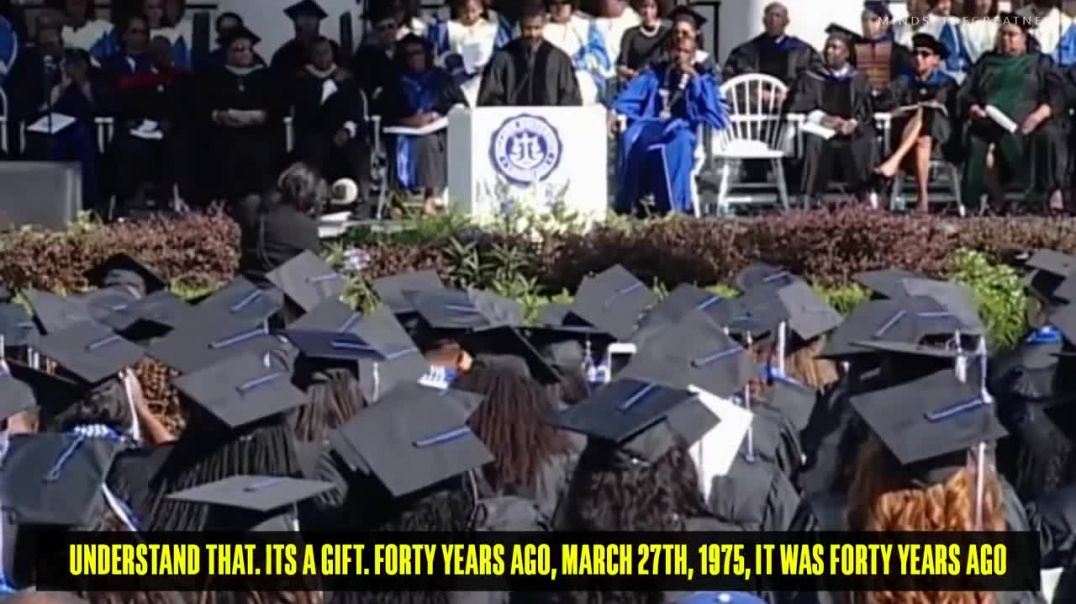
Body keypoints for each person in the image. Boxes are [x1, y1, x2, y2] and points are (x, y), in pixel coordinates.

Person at [612, 6, 727, 216]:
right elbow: (632, 96)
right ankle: (629, 204)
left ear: (695, 39)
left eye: (685, 35)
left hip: (684, 128)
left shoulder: (704, 71)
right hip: (654, 124)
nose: (679, 39)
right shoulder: (658, 68)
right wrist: (614, 111)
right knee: (631, 136)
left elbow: (713, 111)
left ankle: (674, 208)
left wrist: (694, 78)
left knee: (678, 142)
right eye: (675, 34)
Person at [959, 13, 1069, 213]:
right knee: (978, 145)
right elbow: (966, 92)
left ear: (1024, 37)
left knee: (1049, 136)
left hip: (1028, 124)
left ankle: (1043, 196)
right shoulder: (986, 62)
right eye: (1003, 34)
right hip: (989, 123)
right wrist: (973, 107)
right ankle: (991, 200)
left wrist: (1039, 115)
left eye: (1012, 35)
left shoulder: (1039, 62)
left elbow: (1058, 92)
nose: (1006, 39)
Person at [783, 31, 876, 205]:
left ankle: (865, 196)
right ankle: (812, 198)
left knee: (866, 140)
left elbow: (867, 109)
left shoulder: (859, 79)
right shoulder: (811, 77)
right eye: (827, 48)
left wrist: (852, 123)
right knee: (813, 141)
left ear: (847, 53)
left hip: (850, 130)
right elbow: (799, 105)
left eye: (835, 48)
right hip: (821, 130)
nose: (829, 52)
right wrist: (825, 119)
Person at [872, 33, 959, 213]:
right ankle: (923, 199)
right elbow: (884, 102)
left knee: (926, 113)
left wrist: (914, 107)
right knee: (922, 137)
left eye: (925, 55)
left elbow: (944, 109)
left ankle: (894, 162)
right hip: (908, 138)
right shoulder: (904, 80)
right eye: (915, 54)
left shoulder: (947, 84)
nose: (918, 58)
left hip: (940, 142)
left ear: (936, 60)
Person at [382, 34, 467, 214]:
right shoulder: (395, 81)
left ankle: (430, 196)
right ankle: (398, 198)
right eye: (409, 54)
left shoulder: (441, 78)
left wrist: (436, 115)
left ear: (426, 54)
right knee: (403, 144)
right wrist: (409, 121)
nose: (414, 57)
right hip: (403, 131)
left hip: (436, 130)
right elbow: (385, 114)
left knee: (430, 141)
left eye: (418, 52)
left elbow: (459, 104)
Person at [110, 35, 193, 214]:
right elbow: (125, 109)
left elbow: (187, 109)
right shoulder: (137, 79)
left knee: (179, 148)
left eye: (167, 52)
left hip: (171, 132)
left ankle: (172, 198)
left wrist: (171, 122)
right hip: (141, 132)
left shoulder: (182, 80)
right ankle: (130, 198)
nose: (166, 57)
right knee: (127, 148)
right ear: (151, 55)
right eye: (160, 53)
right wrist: (132, 122)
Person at [291, 36, 372, 215]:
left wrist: (347, 129)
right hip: (315, 132)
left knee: (358, 151)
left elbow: (356, 110)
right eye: (318, 54)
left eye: (326, 52)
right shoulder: (302, 80)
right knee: (313, 149)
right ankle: (313, 201)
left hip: (345, 132)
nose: (323, 58)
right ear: (310, 56)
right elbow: (304, 114)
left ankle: (361, 201)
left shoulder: (346, 79)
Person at [201, 24, 279, 204]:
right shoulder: (213, 76)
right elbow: (202, 107)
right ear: (227, 52)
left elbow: (277, 107)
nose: (244, 53)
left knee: (262, 151)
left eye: (248, 49)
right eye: (238, 49)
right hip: (223, 132)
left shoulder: (264, 76)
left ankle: (258, 200)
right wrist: (218, 115)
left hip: (258, 132)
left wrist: (264, 115)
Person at [233, 162, 323, 287]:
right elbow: (315, 279)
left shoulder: (249, 207)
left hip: (246, 285)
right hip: (281, 295)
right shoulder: (306, 227)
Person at [477, 2, 582, 106]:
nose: (532, 34)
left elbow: (570, 98)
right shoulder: (503, 58)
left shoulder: (559, 59)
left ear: (544, 25)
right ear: (520, 26)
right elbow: (490, 97)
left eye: (537, 28)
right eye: (528, 28)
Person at [723, 2, 822, 87]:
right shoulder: (746, 51)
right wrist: (755, 91)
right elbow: (730, 76)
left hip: (791, 103)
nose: (773, 20)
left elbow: (813, 78)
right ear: (763, 21)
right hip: (754, 104)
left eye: (778, 16)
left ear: (786, 22)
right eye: (770, 16)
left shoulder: (802, 51)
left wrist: (790, 92)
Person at [427, 0, 503, 108]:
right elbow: (436, 57)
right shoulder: (446, 28)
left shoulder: (493, 29)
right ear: (458, 9)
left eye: (473, 10)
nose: (469, 15)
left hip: (486, 83)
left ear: (481, 9)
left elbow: (502, 55)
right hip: (456, 84)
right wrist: (449, 59)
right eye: (465, 11)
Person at [829, 1, 913, 97]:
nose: (867, 25)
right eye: (864, 20)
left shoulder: (900, 53)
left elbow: (905, 80)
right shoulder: (854, 51)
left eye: (873, 20)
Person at [542, 0, 611, 105]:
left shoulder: (586, 25)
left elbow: (602, 60)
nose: (559, 8)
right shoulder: (540, 27)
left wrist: (581, 62)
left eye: (564, 3)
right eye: (554, 3)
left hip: (580, 75)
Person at [270, 0, 338, 85]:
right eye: (303, 16)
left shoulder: (333, 48)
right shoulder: (283, 55)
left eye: (312, 16)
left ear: (318, 21)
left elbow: (347, 75)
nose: (308, 21)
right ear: (295, 21)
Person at [911, 0, 972, 80]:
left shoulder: (954, 24)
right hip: (938, 76)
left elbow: (962, 52)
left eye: (948, 1)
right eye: (942, 2)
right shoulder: (925, 25)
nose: (946, 5)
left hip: (961, 74)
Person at [352, 4, 399, 108]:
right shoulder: (366, 55)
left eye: (391, 26)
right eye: (382, 29)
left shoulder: (403, 49)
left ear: (397, 27)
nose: (387, 32)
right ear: (374, 31)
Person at [616, 0, 670, 82]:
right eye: (644, 7)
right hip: (636, 84)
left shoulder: (666, 34)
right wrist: (631, 73)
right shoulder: (630, 34)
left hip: (660, 83)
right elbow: (621, 66)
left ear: (658, 9)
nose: (648, 11)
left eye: (652, 7)